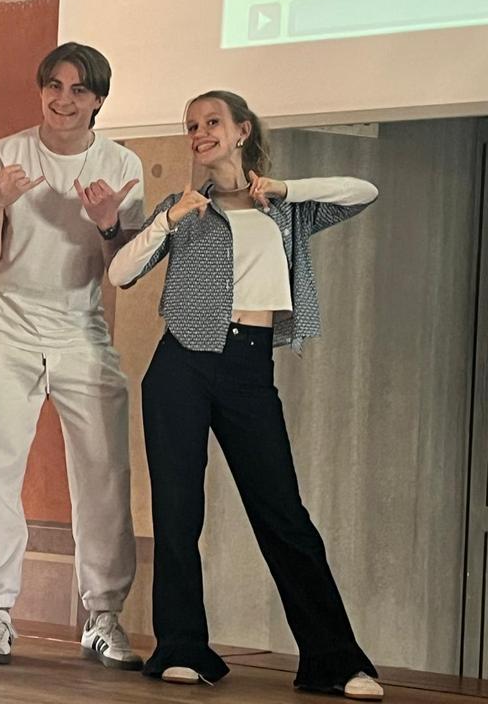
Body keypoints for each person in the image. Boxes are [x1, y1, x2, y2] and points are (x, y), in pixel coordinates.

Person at [108, 90, 382, 700]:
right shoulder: (184, 208)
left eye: (213, 122)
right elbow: (120, 272)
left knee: (283, 516)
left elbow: (363, 191)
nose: (200, 133)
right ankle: (182, 647)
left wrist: (284, 187)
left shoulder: (285, 208)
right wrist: (168, 220)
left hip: (249, 369)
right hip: (181, 365)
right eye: (191, 126)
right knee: (178, 514)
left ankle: (334, 661)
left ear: (242, 131)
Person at [0, 42, 144, 669]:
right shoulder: (2, 155)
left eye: (78, 90)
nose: (63, 100)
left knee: (104, 470)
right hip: (3, 324)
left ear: (98, 100)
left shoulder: (121, 163)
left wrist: (108, 223)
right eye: (54, 86)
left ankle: (103, 615)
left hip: (80, 327)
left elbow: (123, 272)